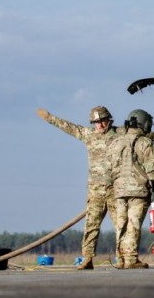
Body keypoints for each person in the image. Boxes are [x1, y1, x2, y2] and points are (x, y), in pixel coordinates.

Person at [37, 105, 119, 270]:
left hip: (116, 189)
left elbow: (143, 135)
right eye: (96, 122)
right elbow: (68, 127)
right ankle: (87, 258)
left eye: (102, 121)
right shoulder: (88, 135)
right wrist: (49, 118)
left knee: (122, 225)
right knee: (91, 225)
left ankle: (125, 257)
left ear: (109, 120)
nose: (100, 125)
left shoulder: (121, 135)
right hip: (96, 190)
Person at [109, 109, 154, 269]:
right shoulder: (145, 143)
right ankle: (131, 259)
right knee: (133, 223)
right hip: (138, 191)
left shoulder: (116, 142)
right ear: (144, 123)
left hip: (119, 190)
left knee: (121, 224)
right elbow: (152, 168)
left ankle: (120, 259)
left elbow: (111, 167)